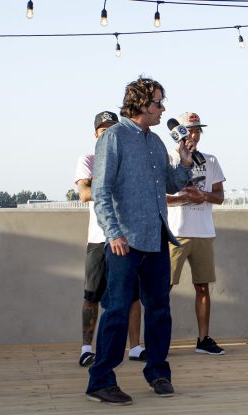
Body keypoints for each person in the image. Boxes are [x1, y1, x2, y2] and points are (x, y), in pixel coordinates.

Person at [86, 77, 193, 405]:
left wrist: (185, 161)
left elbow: (172, 185)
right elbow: (101, 190)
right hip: (125, 241)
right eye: (159, 103)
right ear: (141, 104)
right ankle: (100, 381)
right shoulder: (114, 137)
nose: (163, 109)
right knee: (117, 310)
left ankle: (158, 372)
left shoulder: (157, 142)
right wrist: (113, 232)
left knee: (160, 310)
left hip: (157, 238)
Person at [74, 111, 146, 368]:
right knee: (92, 294)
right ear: (95, 134)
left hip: (128, 237)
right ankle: (86, 349)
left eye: (111, 129)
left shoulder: (127, 158)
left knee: (133, 295)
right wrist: (108, 187)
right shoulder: (89, 160)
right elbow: (84, 193)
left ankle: (136, 347)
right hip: (99, 238)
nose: (107, 134)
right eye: (103, 130)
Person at [166, 112, 226, 355]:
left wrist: (203, 196)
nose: (194, 134)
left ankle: (203, 339)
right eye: (190, 130)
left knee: (203, 287)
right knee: (163, 288)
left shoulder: (210, 160)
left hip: (203, 232)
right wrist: (182, 199)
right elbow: (159, 197)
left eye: (198, 130)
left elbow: (220, 196)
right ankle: (156, 341)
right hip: (175, 234)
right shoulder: (167, 158)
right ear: (178, 133)